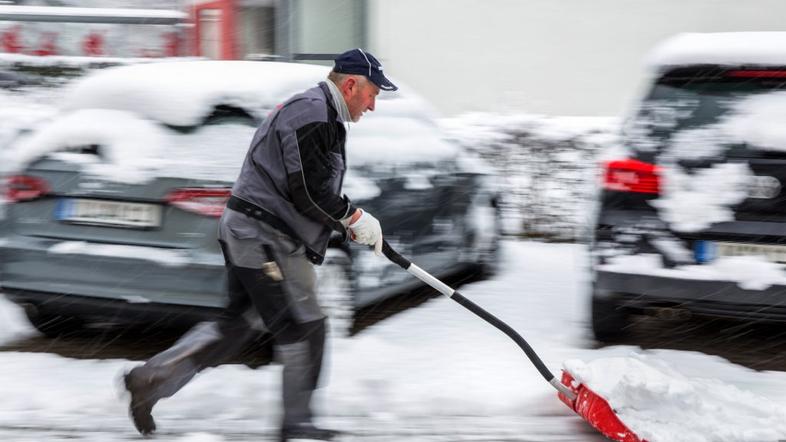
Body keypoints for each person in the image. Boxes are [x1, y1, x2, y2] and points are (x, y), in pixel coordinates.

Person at [122, 48, 397, 442]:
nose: (372, 105)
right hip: (262, 236)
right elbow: (308, 190)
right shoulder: (313, 114)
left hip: (262, 232)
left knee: (239, 325)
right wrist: (352, 217)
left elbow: (305, 189)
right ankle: (296, 425)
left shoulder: (322, 114)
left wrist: (344, 224)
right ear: (351, 85)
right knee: (302, 327)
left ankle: (150, 379)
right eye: (372, 94)